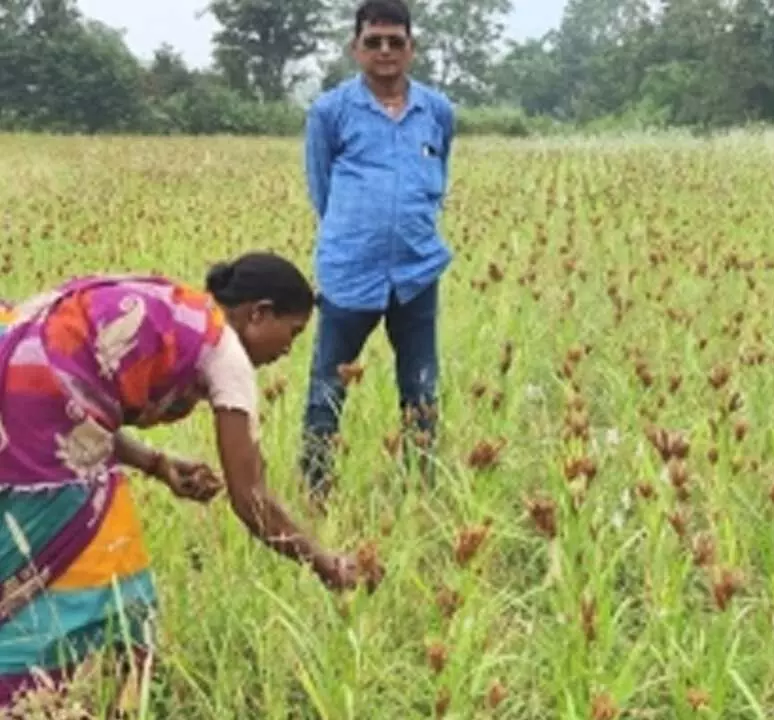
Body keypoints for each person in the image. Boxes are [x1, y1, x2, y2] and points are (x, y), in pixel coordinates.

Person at [0, 252, 385, 712]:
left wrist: (158, 465)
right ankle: (35, 699)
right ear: (258, 313)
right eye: (292, 333)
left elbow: (78, 404)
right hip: (28, 425)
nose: (288, 350)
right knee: (115, 591)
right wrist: (327, 564)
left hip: (16, 381)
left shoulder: (180, 311)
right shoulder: (226, 352)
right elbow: (252, 500)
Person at [300, 0, 456, 499]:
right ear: (355, 48)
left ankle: (420, 490)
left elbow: (439, 176)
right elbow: (321, 188)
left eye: (395, 41)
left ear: (412, 48)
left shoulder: (437, 111)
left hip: (416, 270)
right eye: (374, 41)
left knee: (421, 387)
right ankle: (316, 491)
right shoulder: (330, 112)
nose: (385, 51)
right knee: (328, 386)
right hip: (350, 271)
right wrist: (356, 232)